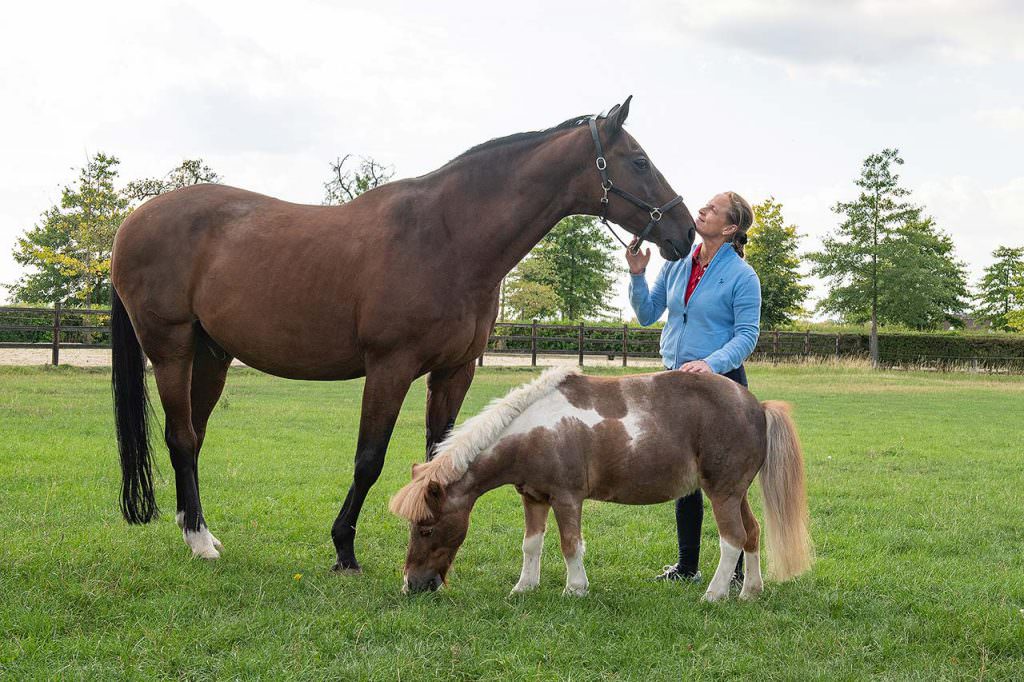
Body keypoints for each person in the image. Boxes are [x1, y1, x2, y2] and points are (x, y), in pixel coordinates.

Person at [627, 190, 761, 585]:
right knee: (684, 478)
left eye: (712, 209)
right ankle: (687, 566)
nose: (701, 211)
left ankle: (737, 572)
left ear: (730, 227)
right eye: (704, 206)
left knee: (725, 481)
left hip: (721, 388)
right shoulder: (677, 262)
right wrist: (637, 275)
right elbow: (649, 315)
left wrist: (711, 363)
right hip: (675, 386)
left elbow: (747, 335)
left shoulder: (742, 276)